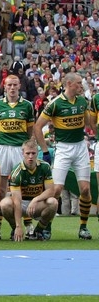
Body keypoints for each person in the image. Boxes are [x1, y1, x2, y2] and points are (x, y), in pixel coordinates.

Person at [36, 71, 93, 239]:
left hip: (80, 147)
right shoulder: (55, 104)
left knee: (85, 189)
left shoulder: (83, 101)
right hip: (63, 148)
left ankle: (83, 227)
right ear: (69, 84)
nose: (81, 86)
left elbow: (89, 123)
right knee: (56, 189)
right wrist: (45, 150)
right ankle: (47, 225)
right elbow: (38, 127)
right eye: (78, 83)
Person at [0, 73, 35, 238]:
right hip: (2, 148)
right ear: (4, 86)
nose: (12, 88)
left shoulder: (27, 106)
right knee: (1, 190)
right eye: (9, 85)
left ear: (19, 86)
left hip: (19, 148)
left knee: (22, 189)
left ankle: (28, 224)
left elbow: (29, 130)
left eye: (15, 85)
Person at [0, 138, 58, 242]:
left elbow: (51, 191)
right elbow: (17, 201)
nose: (30, 157)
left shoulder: (45, 167)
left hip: (37, 204)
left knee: (53, 202)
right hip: (21, 204)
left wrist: (36, 200)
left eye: (33, 153)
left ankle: (39, 231)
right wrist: (18, 226)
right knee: (5, 204)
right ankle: (15, 229)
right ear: (23, 153)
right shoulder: (16, 172)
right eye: (28, 153)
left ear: (37, 153)